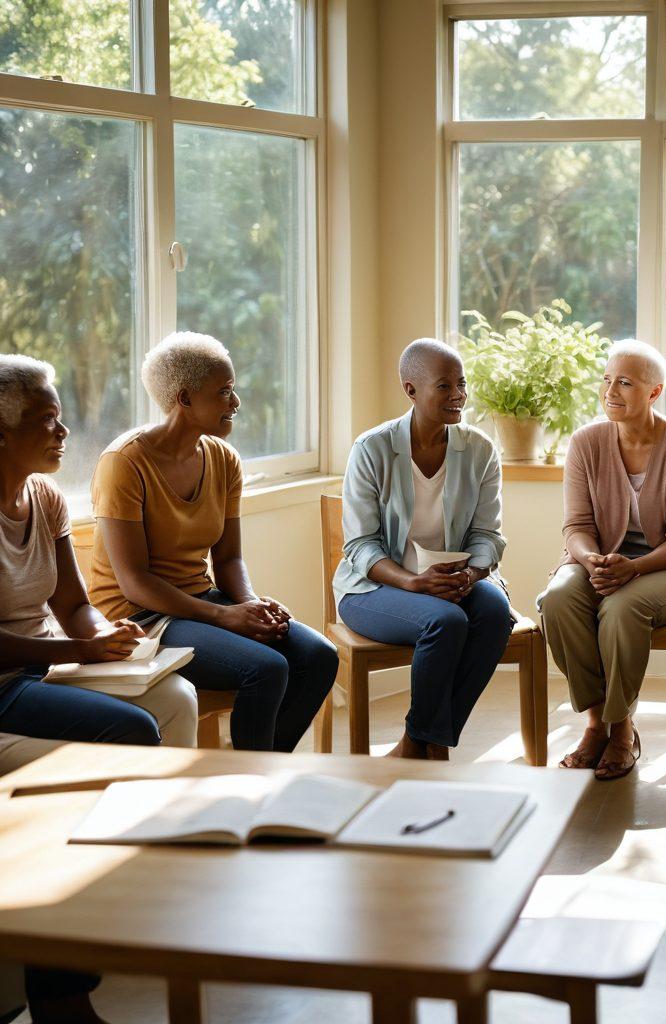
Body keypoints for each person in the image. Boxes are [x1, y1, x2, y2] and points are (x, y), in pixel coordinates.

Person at [0, 353, 181, 1024]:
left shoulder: (44, 498)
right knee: (128, 734)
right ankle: (62, 993)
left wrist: (108, 636)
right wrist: (76, 647)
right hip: (9, 683)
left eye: (60, 417)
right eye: (46, 421)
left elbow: (75, 602)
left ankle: (135, 898)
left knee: (170, 697)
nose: (63, 431)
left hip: (43, 665)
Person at [89, 333, 338, 752]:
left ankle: (263, 771)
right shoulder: (125, 462)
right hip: (139, 618)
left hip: (200, 601)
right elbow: (134, 583)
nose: (235, 402)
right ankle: (245, 783)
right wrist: (224, 617)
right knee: (267, 668)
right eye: (224, 392)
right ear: (184, 398)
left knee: (318, 656)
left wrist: (250, 604)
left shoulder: (223, 458)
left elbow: (229, 558)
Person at [538, 340, 666, 780]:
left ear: (654, 393)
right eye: (606, 379)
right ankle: (598, 721)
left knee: (621, 607)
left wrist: (632, 568)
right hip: (602, 560)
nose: (610, 391)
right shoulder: (586, 442)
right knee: (557, 598)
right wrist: (592, 560)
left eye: (625, 383)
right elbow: (576, 525)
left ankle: (620, 730)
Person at [334, 338, 513, 759]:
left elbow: (488, 535)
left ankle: (421, 741)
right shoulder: (372, 449)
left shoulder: (480, 451)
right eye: (444, 386)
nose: (458, 396)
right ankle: (428, 746)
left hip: (454, 581)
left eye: (462, 384)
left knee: (493, 611)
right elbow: (360, 545)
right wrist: (413, 583)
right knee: (446, 622)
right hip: (374, 588)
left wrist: (472, 574)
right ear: (410, 389)